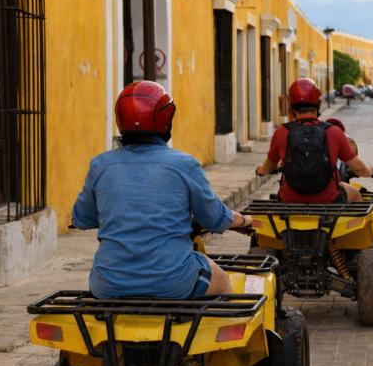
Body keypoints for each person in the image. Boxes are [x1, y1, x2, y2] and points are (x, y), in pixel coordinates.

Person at [71, 81, 252, 299]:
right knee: (222, 281)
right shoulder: (184, 164)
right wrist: (243, 220)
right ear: (165, 120)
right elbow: (214, 217)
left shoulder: (100, 165)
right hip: (173, 282)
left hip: (109, 283)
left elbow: (82, 218)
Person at [255, 79, 373, 203]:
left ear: (291, 105)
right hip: (329, 198)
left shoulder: (281, 132)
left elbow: (268, 168)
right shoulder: (333, 131)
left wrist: (260, 169)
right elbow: (357, 167)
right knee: (355, 194)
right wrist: (369, 171)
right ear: (318, 104)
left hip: (289, 199)